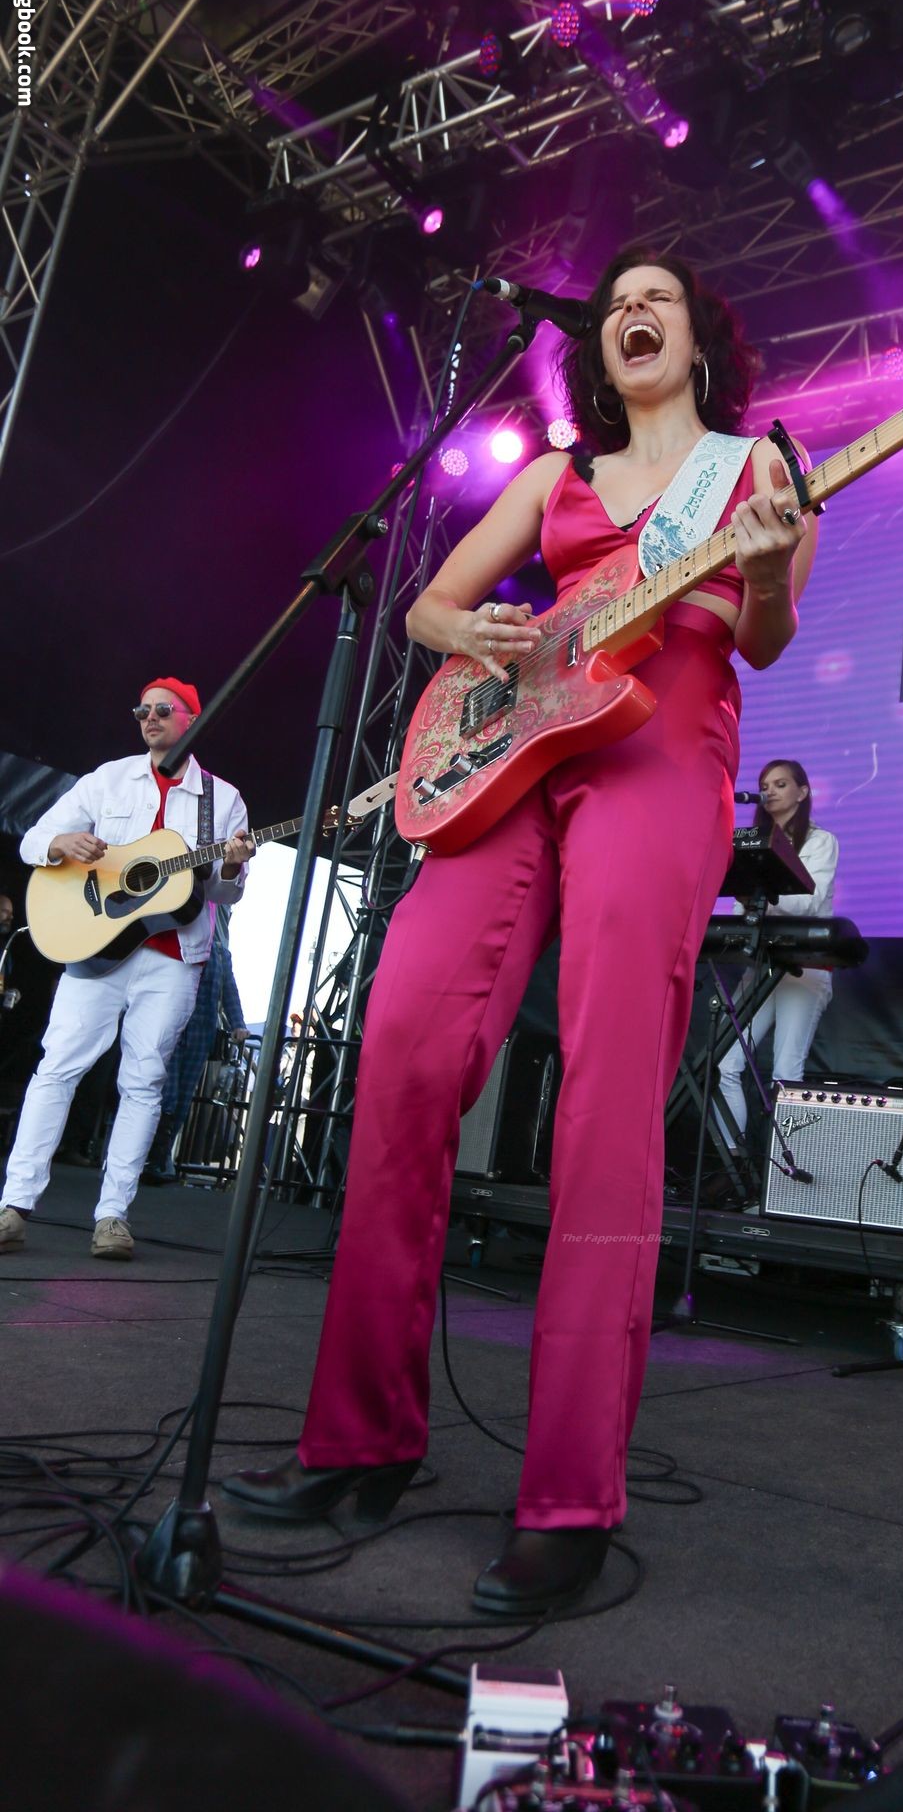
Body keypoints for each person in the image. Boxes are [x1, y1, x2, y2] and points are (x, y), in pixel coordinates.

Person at [224, 247, 817, 1613]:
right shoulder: (554, 478)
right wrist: (479, 636)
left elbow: (767, 639)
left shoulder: (756, 470)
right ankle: (359, 1439)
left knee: (606, 1107)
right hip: (517, 749)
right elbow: (428, 605)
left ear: (701, 341)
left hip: (661, 746)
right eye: (615, 304)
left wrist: (767, 573)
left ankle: (568, 1497)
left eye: (658, 299)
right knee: (402, 1054)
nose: (631, 313)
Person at [0, 680, 254, 1260]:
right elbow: (34, 841)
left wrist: (232, 867)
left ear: (191, 719)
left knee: (143, 1081)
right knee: (57, 1067)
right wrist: (63, 843)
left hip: (173, 959)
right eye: (142, 709)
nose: (148, 717)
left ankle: (112, 1216)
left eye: (162, 709)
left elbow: (225, 893)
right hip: (95, 945)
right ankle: (13, 1206)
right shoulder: (108, 779)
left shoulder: (223, 800)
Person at [717, 760, 840, 1165]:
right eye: (765, 785)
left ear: (802, 792)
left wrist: (758, 895)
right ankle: (735, 1164)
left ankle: (787, 1171)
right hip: (762, 965)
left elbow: (807, 903)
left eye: (781, 784)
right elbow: (740, 912)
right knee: (723, 1063)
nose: (769, 791)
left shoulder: (821, 841)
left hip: (804, 969)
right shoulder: (752, 843)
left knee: (786, 1073)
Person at [141, 922, 248, 1185]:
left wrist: (238, 1023)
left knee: (182, 1098)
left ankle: (160, 1156)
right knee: (167, 1093)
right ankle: (148, 1156)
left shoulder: (220, 954)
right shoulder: (176, 942)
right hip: (171, 1025)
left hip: (200, 1033)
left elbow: (229, 990)